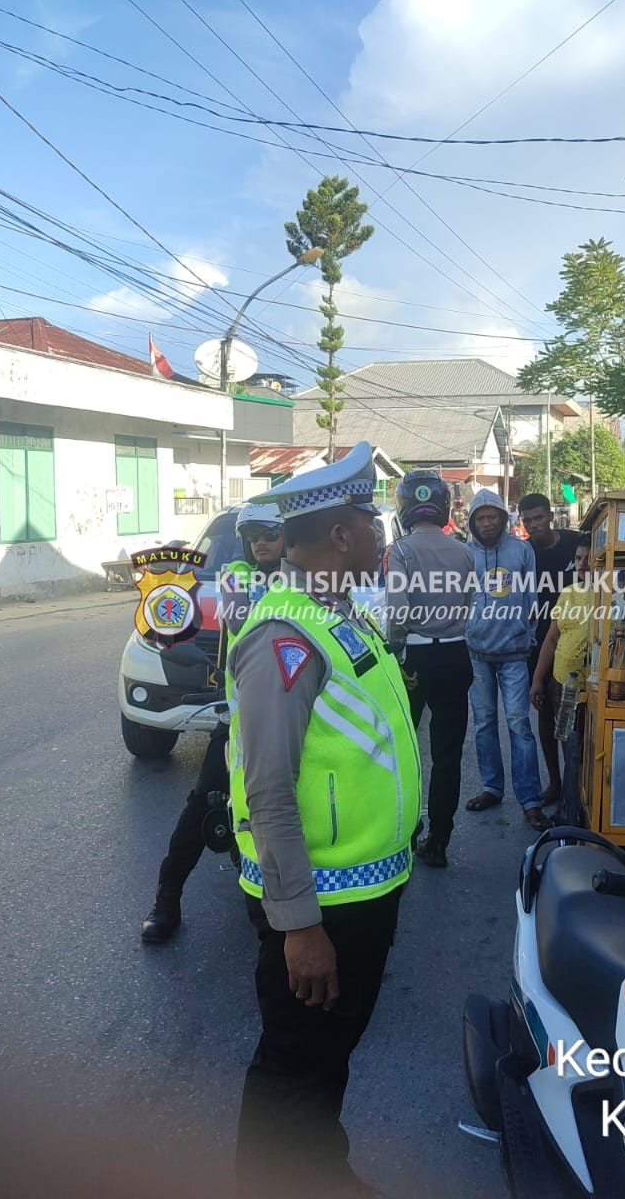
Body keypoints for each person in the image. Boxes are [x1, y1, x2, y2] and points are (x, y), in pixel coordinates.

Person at [224, 443, 422, 1198]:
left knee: (326, 1057)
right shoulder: (284, 636)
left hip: (363, 892)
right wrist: (298, 926)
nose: (383, 535)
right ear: (342, 534)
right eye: (373, 520)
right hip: (322, 906)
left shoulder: (332, 616)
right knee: (293, 1069)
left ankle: (321, 1173)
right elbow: (266, 791)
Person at [140, 502, 284, 944]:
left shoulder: (306, 579)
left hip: (296, 715)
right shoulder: (235, 577)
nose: (261, 540)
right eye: (252, 533)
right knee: (203, 799)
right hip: (242, 718)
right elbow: (240, 616)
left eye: (270, 531)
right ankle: (167, 896)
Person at [386, 470, 476, 868]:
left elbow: (398, 611)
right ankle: (439, 840)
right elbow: (469, 603)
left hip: (415, 659)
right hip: (456, 656)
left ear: (404, 505)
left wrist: (396, 648)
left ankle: (404, 836)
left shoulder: (399, 551)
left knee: (403, 750)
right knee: (447, 754)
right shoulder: (464, 551)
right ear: (445, 506)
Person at [460, 488, 545, 831]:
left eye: (493, 515)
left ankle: (531, 799)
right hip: (477, 653)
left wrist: (528, 635)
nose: (487, 522)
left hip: (514, 654)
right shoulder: (464, 554)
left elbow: (533, 597)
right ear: (472, 522)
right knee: (483, 724)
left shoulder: (521, 550)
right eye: (480, 517)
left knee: (519, 724)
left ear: (503, 518)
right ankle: (492, 787)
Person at [518, 493, 585, 807]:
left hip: (579, 641)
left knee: (579, 719)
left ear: (550, 516)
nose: (534, 525)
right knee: (545, 713)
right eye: (528, 520)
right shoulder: (524, 553)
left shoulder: (575, 544)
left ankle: (580, 785)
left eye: (538, 517)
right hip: (540, 644)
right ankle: (556, 783)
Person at [529, 541, 601, 827]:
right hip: (562, 685)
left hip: (592, 688)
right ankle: (564, 799)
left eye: (589, 559)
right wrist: (537, 679)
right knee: (566, 742)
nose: (582, 564)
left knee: (584, 748)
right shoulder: (570, 593)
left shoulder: (609, 596)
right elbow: (551, 639)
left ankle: (581, 807)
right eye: (578, 558)